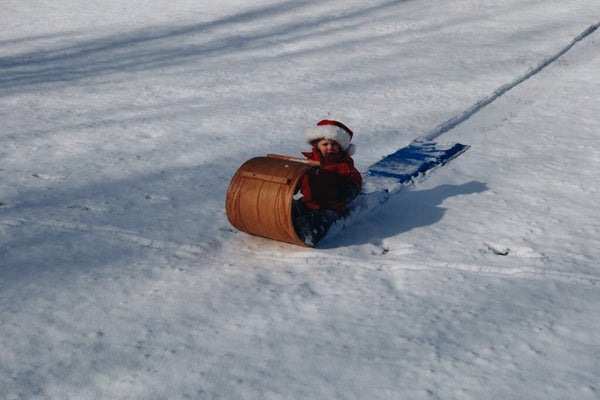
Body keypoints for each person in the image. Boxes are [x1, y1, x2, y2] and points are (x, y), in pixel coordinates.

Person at [293, 120, 362, 244]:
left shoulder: (343, 165)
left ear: (341, 147)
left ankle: (307, 235)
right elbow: (297, 178)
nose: (330, 148)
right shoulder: (308, 163)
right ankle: (276, 223)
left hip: (331, 207)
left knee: (317, 219)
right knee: (289, 208)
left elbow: (355, 179)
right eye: (325, 144)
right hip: (307, 202)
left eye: (334, 144)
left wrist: (350, 188)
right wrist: (291, 186)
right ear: (316, 145)